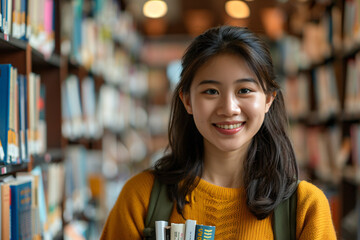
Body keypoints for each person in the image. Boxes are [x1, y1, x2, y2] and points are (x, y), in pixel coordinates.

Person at [100, 26, 336, 239]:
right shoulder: (141, 196)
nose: (229, 109)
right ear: (187, 100)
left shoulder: (306, 207)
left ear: (268, 99)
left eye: (244, 90)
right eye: (211, 91)